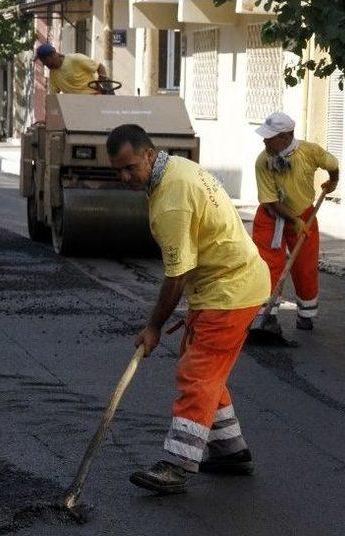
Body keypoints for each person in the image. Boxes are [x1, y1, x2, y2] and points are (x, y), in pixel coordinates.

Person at [106, 124, 270, 494]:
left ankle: (177, 464)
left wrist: (153, 327)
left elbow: (176, 277)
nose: (124, 177)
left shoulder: (172, 199)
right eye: (117, 170)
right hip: (223, 284)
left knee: (198, 374)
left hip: (230, 290)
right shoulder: (176, 169)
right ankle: (229, 451)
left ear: (149, 154)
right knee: (205, 369)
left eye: (130, 167)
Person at [252, 112, 339, 331]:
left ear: (285, 136)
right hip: (271, 217)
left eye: (269, 137)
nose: (264, 141)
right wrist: (293, 220)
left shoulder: (309, 152)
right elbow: (271, 202)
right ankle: (267, 315)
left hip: (304, 214)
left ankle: (306, 314)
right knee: (268, 265)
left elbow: (332, 163)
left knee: (305, 266)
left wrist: (333, 181)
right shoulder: (263, 161)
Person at [35, 43, 107, 95]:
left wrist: (100, 84)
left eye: (44, 61)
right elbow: (53, 94)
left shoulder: (75, 59)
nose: (44, 64)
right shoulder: (53, 73)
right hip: (73, 105)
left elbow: (100, 67)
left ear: (52, 56)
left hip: (92, 97)